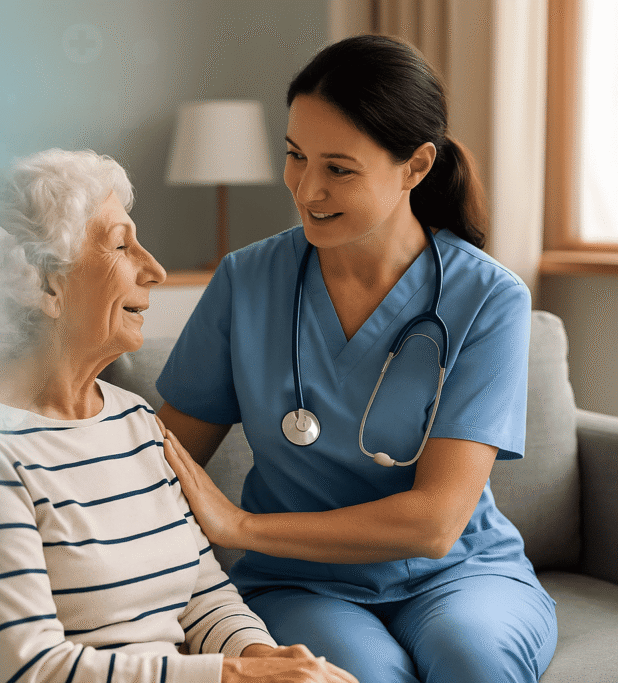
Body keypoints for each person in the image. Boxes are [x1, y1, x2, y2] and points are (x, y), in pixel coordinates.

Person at [156, 35, 558, 683]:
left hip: (460, 571)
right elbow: (164, 455)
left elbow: (433, 523)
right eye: (294, 156)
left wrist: (242, 525)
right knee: (357, 675)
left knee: (473, 659)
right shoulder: (246, 281)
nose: (307, 188)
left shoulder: (488, 298)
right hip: (300, 584)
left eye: (338, 168)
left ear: (416, 166)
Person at [0, 149, 357, 683]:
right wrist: (233, 677)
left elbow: (203, 595)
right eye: (121, 245)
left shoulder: (132, 420)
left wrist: (265, 659)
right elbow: (33, 669)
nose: (156, 269)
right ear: (47, 284)